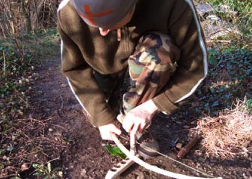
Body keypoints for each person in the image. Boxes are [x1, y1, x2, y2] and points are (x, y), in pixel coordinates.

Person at [57, 0, 207, 157]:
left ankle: (136, 121)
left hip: (146, 59)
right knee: (97, 111)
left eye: (109, 22)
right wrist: (101, 116)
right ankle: (112, 102)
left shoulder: (174, 4)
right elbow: (75, 70)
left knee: (161, 49)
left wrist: (150, 107)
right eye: (92, 23)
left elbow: (195, 68)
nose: (101, 31)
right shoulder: (68, 10)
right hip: (101, 68)